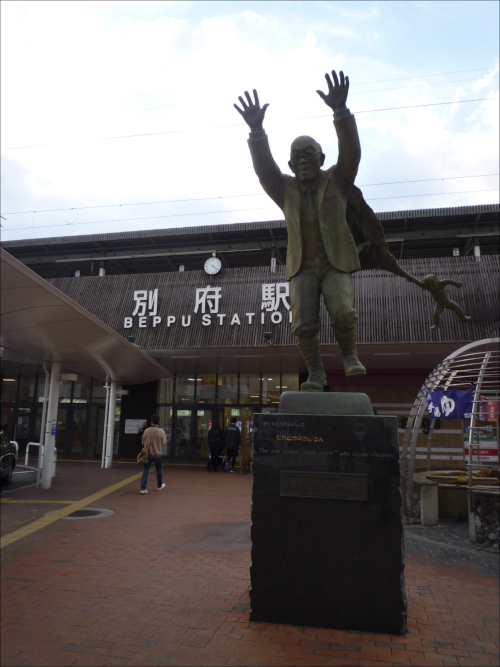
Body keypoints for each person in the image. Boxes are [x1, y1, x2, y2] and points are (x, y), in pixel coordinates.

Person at [234, 69, 365, 390]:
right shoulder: (285, 189)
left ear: (321, 158)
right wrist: (256, 131)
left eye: (309, 154)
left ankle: (350, 356)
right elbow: (265, 169)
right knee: (303, 325)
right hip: (302, 267)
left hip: (334, 263)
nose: (303, 159)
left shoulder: (338, 180)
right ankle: (316, 373)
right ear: (290, 165)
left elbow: (352, 153)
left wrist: (340, 112)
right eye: (296, 156)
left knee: (345, 312)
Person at [139, 414, 166, 495]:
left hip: (148, 455)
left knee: (146, 470)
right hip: (157, 454)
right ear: (158, 422)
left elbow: (143, 442)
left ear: (151, 422)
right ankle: (159, 485)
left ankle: (143, 488)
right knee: (159, 470)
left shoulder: (146, 431)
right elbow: (163, 443)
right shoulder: (161, 431)